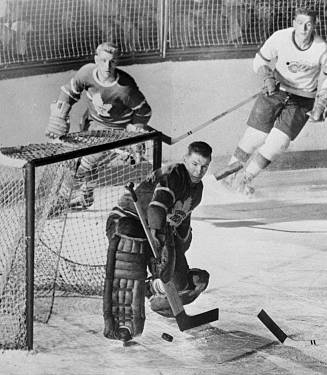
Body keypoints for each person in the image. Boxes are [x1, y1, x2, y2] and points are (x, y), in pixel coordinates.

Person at [216, 5, 327, 196]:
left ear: (315, 25)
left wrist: (323, 98)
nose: (303, 29)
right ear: (293, 24)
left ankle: (244, 179)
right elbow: (259, 60)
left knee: (278, 144)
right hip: (276, 90)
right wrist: (267, 76)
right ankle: (228, 175)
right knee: (254, 137)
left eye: (308, 24)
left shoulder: (322, 48)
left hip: (303, 97)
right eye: (300, 23)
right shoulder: (280, 37)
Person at [102, 141, 212, 342]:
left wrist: (177, 253)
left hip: (160, 229)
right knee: (130, 256)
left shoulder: (197, 190)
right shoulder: (175, 175)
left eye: (204, 166)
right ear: (186, 159)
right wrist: (154, 237)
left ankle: (150, 289)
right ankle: (123, 323)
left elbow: (181, 221)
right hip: (128, 220)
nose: (199, 170)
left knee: (188, 285)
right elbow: (155, 209)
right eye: (195, 163)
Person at [45, 42, 152, 210]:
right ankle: (85, 198)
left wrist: (134, 130)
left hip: (115, 133)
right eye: (103, 61)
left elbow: (144, 112)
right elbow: (69, 92)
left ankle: (62, 201)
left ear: (118, 62)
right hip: (90, 126)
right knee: (74, 161)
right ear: (96, 59)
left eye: (112, 61)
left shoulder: (126, 89)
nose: (107, 66)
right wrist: (59, 114)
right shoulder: (86, 73)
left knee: (84, 165)